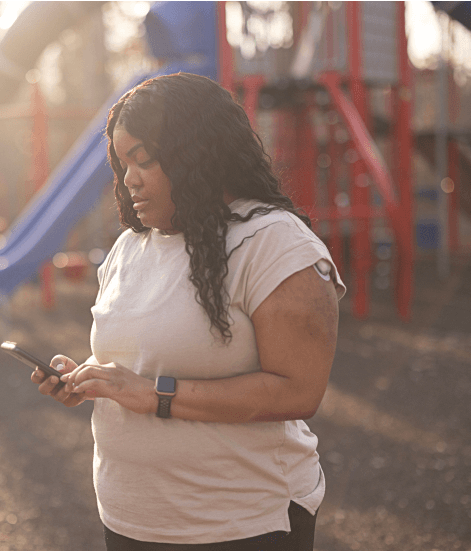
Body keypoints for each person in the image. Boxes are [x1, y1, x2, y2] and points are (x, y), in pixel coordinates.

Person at [32, 72, 345, 550]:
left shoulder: (274, 244)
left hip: (240, 525)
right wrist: (91, 380)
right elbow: (145, 362)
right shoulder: (128, 248)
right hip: (130, 520)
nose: (129, 177)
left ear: (197, 153)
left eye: (144, 159)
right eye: (121, 163)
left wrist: (151, 393)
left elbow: (299, 391)